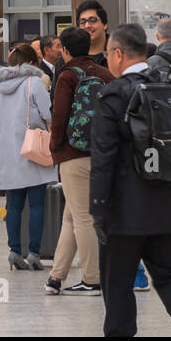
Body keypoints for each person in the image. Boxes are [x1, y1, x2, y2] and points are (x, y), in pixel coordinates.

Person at [91, 24, 171, 337]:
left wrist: (98, 210)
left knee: (118, 285)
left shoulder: (113, 95)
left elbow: (103, 160)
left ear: (117, 54)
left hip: (124, 214)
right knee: (170, 276)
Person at [47, 26, 114, 295]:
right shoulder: (105, 74)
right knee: (71, 217)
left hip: (73, 156)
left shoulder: (67, 75)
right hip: (101, 154)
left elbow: (59, 117)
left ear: (64, 50)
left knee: (83, 218)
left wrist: (54, 149)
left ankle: (92, 279)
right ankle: (55, 278)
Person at [0, 43, 58, 272]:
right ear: (32, 63)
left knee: (14, 205)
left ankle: (13, 250)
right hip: (33, 148)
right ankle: (34, 253)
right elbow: (48, 114)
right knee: (37, 203)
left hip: (9, 151)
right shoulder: (35, 82)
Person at [76, 0, 110, 68]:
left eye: (92, 20)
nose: (87, 25)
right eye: (83, 22)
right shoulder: (69, 57)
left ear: (105, 24)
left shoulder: (118, 54)